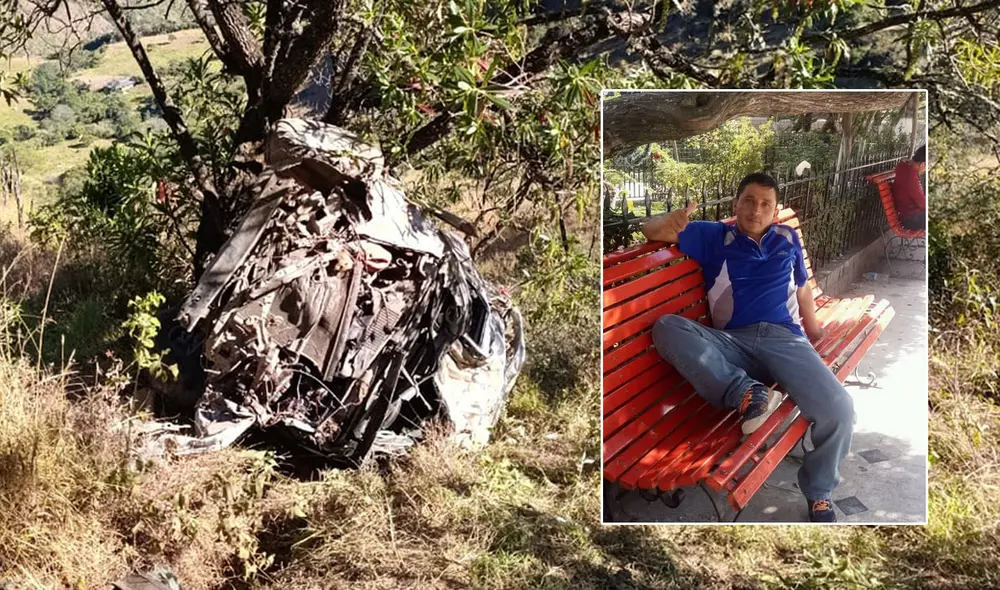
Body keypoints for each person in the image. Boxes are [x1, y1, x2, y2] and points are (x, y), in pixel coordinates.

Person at [640, 172, 853, 523]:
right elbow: (651, 231)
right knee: (667, 327)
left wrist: (814, 331)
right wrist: (669, 220)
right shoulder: (713, 236)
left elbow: (802, 288)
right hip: (732, 342)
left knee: (840, 410)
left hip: (784, 340)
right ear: (735, 204)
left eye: (766, 204)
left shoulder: (786, 238)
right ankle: (748, 392)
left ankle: (819, 491)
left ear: (775, 210)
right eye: (749, 201)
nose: (756, 210)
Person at [892, 145, 926, 230]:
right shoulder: (911, 175)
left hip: (906, 214)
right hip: (910, 218)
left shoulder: (903, 167)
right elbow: (922, 203)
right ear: (923, 164)